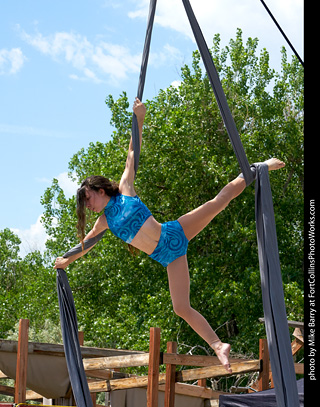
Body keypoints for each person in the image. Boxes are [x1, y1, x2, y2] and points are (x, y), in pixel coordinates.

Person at [54, 97, 285, 373]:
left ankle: (259, 168)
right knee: (181, 308)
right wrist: (66, 261)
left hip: (171, 233)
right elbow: (87, 243)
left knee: (218, 202)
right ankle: (218, 345)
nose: (88, 206)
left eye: (88, 199)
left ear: (101, 191)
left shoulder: (125, 189)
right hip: (167, 256)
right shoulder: (104, 222)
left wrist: (139, 118)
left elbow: (132, 153)